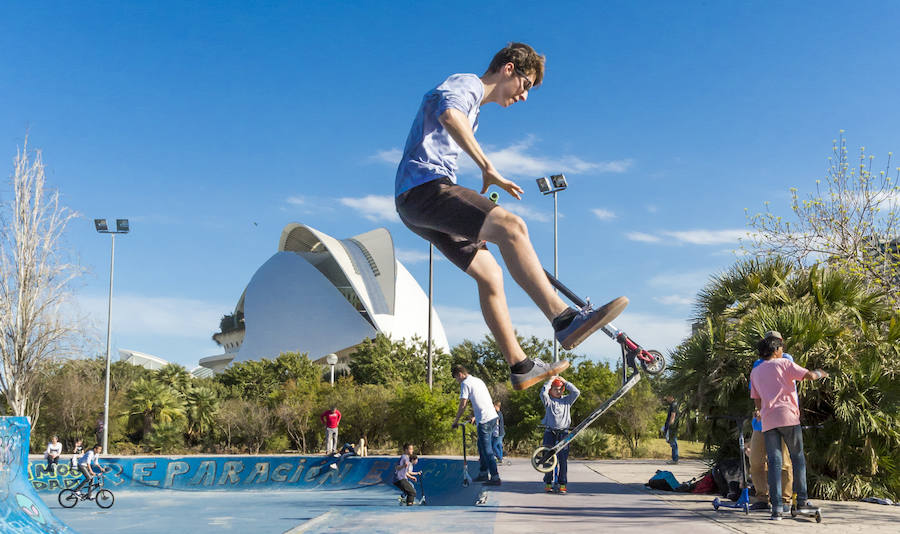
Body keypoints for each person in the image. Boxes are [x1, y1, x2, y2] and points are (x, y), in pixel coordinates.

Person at [394, 42, 628, 391]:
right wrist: (489, 169)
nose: (524, 96)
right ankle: (563, 319)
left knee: (490, 275)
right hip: (425, 190)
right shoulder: (468, 84)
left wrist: (469, 217)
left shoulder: (475, 111)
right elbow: (449, 115)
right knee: (513, 226)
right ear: (508, 69)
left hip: (416, 203)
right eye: (526, 85)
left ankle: (520, 365)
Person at [750, 336, 828, 521]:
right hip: (788, 418)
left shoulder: (755, 372)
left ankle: (776, 509)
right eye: (781, 348)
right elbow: (808, 375)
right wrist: (821, 372)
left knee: (775, 463)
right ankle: (801, 501)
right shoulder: (784, 363)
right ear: (776, 350)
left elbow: (757, 398)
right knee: (797, 459)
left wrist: (762, 411)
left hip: (768, 421)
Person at [748, 330, 795, 512]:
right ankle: (761, 498)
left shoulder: (787, 359)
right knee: (756, 461)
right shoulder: (758, 364)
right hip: (762, 421)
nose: (776, 345)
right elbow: (756, 390)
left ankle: (785, 499)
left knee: (783, 461)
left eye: (778, 342)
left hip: (782, 418)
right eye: (771, 342)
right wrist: (758, 409)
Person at [451, 365, 501, 485]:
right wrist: (474, 416)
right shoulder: (478, 380)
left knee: (487, 450)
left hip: (484, 420)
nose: (457, 381)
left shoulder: (465, 383)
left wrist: (456, 421)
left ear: (460, 374)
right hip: (492, 417)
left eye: (456, 378)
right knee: (481, 446)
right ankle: (483, 473)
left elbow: (463, 404)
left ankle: (495, 477)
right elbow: (481, 400)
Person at [540, 376, 580, 494]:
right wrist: (550, 381)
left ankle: (562, 483)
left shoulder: (567, 400)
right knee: (548, 458)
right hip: (550, 432)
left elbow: (576, 392)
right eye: (555, 389)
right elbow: (543, 393)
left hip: (563, 433)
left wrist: (565, 382)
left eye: (559, 389)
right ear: (550, 390)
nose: (557, 391)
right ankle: (548, 482)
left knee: (563, 459)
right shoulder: (548, 401)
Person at [662, 395, 679, 464]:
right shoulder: (673, 404)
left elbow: (673, 415)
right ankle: (674, 459)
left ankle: (675, 459)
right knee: (672, 442)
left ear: (672, 397)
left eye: (668, 397)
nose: (667, 399)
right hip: (672, 426)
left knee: (673, 442)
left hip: (672, 427)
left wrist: (670, 426)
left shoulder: (674, 405)